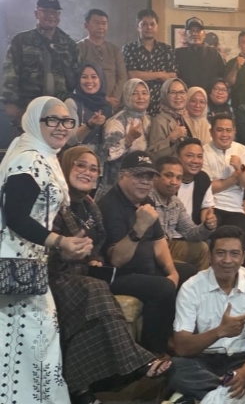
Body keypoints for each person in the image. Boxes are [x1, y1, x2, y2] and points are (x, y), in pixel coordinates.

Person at [51, 147, 172, 404]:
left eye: (93, 168)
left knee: (96, 288)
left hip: (86, 273)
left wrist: (93, 258)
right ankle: (140, 359)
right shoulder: (54, 203)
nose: (87, 172)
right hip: (55, 275)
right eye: (80, 165)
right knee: (97, 289)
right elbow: (38, 245)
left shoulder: (90, 207)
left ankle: (81, 390)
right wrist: (65, 251)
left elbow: (98, 246)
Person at [0, 97, 92, 404]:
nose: (61, 127)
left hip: (30, 266)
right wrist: (59, 241)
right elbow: (15, 216)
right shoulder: (29, 160)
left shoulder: (44, 157)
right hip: (14, 270)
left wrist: (63, 246)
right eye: (51, 119)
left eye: (67, 121)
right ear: (33, 121)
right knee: (30, 347)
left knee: (27, 348)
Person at [98, 150, 199, 355]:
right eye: (139, 176)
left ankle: (177, 335)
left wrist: (172, 272)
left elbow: (158, 241)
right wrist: (139, 227)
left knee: (189, 273)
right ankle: (153, 352)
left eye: (150, 177)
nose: (145, 182)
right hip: (119, 275)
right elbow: (117, 260)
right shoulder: (109, 205)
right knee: (162, 288)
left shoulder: (147, 201)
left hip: (145, 268)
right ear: (122, 176)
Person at [168, 225, 245, 401]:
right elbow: (181, 347)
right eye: (220, 253)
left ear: (243, 257)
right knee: (175, 368)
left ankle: (211, 396)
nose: (227, 260)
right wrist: (219, 331)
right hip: (204, 359)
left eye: (234, 254)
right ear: (210, 256)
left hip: (243, 359)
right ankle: (235, 395)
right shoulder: (191, 288)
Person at [1, 0, 79, 130]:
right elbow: (10, 72)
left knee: (57, 142)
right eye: (45, 11)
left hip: (59, 107)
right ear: (36, 13)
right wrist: (10, 102)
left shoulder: (69, 44)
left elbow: (76, 76)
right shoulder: (21, 40)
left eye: (55, 12)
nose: (51, 15)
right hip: (28, 106)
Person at [151, 155, 217, 270]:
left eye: (179, 178)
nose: (174, 182)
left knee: (202, 248)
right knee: (187, 270)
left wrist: (207, 226)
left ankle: (203, 282)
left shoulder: (176, 203)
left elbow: (191, 232)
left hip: (168, 246)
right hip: (149, 251)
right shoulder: (146, 198)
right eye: (169, 175)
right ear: (155, 177)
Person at [203, 114, 245, 242]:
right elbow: (208, 187)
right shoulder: (204, 150)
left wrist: (239, 167)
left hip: (236, 208)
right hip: (212, 206)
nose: (224, 134)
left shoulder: (242, 150)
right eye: (219, 130)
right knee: (215, 239)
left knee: (240, 239)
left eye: (228, 130)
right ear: (211, 132)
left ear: (234, 132)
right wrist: (237, 176)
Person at [97, 78, 151, 200]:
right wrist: (128, 139)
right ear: (126, 96)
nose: (141, 97)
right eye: (134, 93)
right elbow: (107, 153)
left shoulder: (147, 119)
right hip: (116, 188)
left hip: (140, 186)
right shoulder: (116, 122)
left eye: (144, 93)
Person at [123, 9, 178, 117]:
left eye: (152, 24)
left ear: (157, 27)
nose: (149, 27)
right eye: (144, 24)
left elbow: (172, 77)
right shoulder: (129, 48)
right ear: (137, 26)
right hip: (138, 103)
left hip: (162, 104)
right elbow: (132, 75)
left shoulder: (166, 49)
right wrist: (160, 75)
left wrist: (144, 75)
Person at [77, 9, 128, 110]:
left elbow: (122, 76)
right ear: (86, 25)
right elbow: (77, 77)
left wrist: (115, 98)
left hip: (114, 104)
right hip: (88, 103)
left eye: (104, 23)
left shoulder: (115, 49)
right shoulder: (79, 48)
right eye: (96, 23)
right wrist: (103, 99)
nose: (101, 27)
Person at [64, 63, 113, 152]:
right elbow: (69, 140)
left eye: (94, 77)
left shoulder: (107, 106)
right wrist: (89, 125)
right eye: (84, 77)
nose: (89, 81)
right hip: (77, 156)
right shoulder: (71, 103)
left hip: (102, 158)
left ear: (101, 80)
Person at [174, 17, 226, 89]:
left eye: (198, 31)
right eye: (191, 31)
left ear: (204, 34)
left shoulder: (214, 54)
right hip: (185, 95)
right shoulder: (177, 54)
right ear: (186, 34)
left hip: (208, 95)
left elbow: (222, 78)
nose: (195, 34)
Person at [148, 78, 192, 160]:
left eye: (182, 92)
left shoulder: (184, 117)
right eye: (173, 92)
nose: (178, 97)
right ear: (165, 95)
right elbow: (153, 155)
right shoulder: (159, 121)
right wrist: (171, 139)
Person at [176, 137, 215, 226]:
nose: (195, 161)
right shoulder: (170, 179)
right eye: (189, 156)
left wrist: (208, 221)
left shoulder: (203, 179)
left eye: (199, 156)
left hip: (192, 232)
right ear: (178, 158)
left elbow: (206, 208)